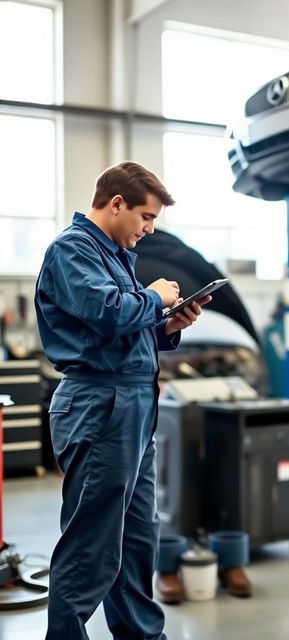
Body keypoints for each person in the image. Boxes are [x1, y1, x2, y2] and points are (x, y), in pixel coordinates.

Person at [34, 162, 212, 640]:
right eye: (146, 217)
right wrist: (154, 298)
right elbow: (108, 313)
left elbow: (123, 331)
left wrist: (166, 326)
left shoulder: (113, 255)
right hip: (99, 405)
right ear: (116, 204)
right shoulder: (72, 251)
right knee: (92, 544)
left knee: (137, 542)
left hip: (130, 404)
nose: (149, 230)